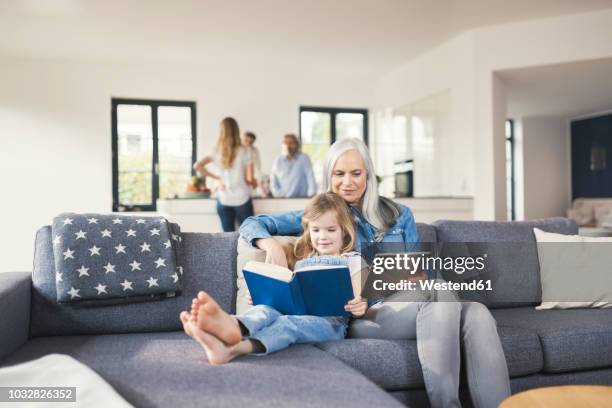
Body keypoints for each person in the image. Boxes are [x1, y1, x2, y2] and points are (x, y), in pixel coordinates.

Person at [239, 138, 511, 408]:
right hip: (364, 314)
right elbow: (253, 222)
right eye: (339, 174)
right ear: (329, 176)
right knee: (440, 294)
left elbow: (422, 271)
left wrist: (401, 274)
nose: (348, 182)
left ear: (368, 175)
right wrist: (269, 243)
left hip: (407, 302)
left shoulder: (399, 214)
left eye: (356, 173)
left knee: (477, 312)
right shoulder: (323, 213)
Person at [179, 192, 367, 364]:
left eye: (331, 230)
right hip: (295, 312)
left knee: (286, 324)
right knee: (264, 309)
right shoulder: (305, 259)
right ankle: (233, 326)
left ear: (344, 230)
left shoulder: (353, 260)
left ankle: (234, 346)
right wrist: (262, 296)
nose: (322, 236)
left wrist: (359, 305)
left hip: (330, 324)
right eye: (316, 230)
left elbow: (359, 301)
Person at [193, 117, 256, 232]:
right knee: (250, 235)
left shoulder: (215, 150)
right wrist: (254, 183)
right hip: (242, 197)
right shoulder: (246, 150)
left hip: (223, 198)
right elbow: (249, 178)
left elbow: (197, 166)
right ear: (237, 130)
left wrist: (217, 178)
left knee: (227, 238)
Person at [270, 133, 317, 198]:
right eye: (285, 143)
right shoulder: (277, 160)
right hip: (283, 199)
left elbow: (310, 176)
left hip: (301, 198)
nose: (288, 146)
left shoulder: (304, 158)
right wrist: (277, 194)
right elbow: (273, 181)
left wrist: (312, 193)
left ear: (297, 145)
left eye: (291, 143)